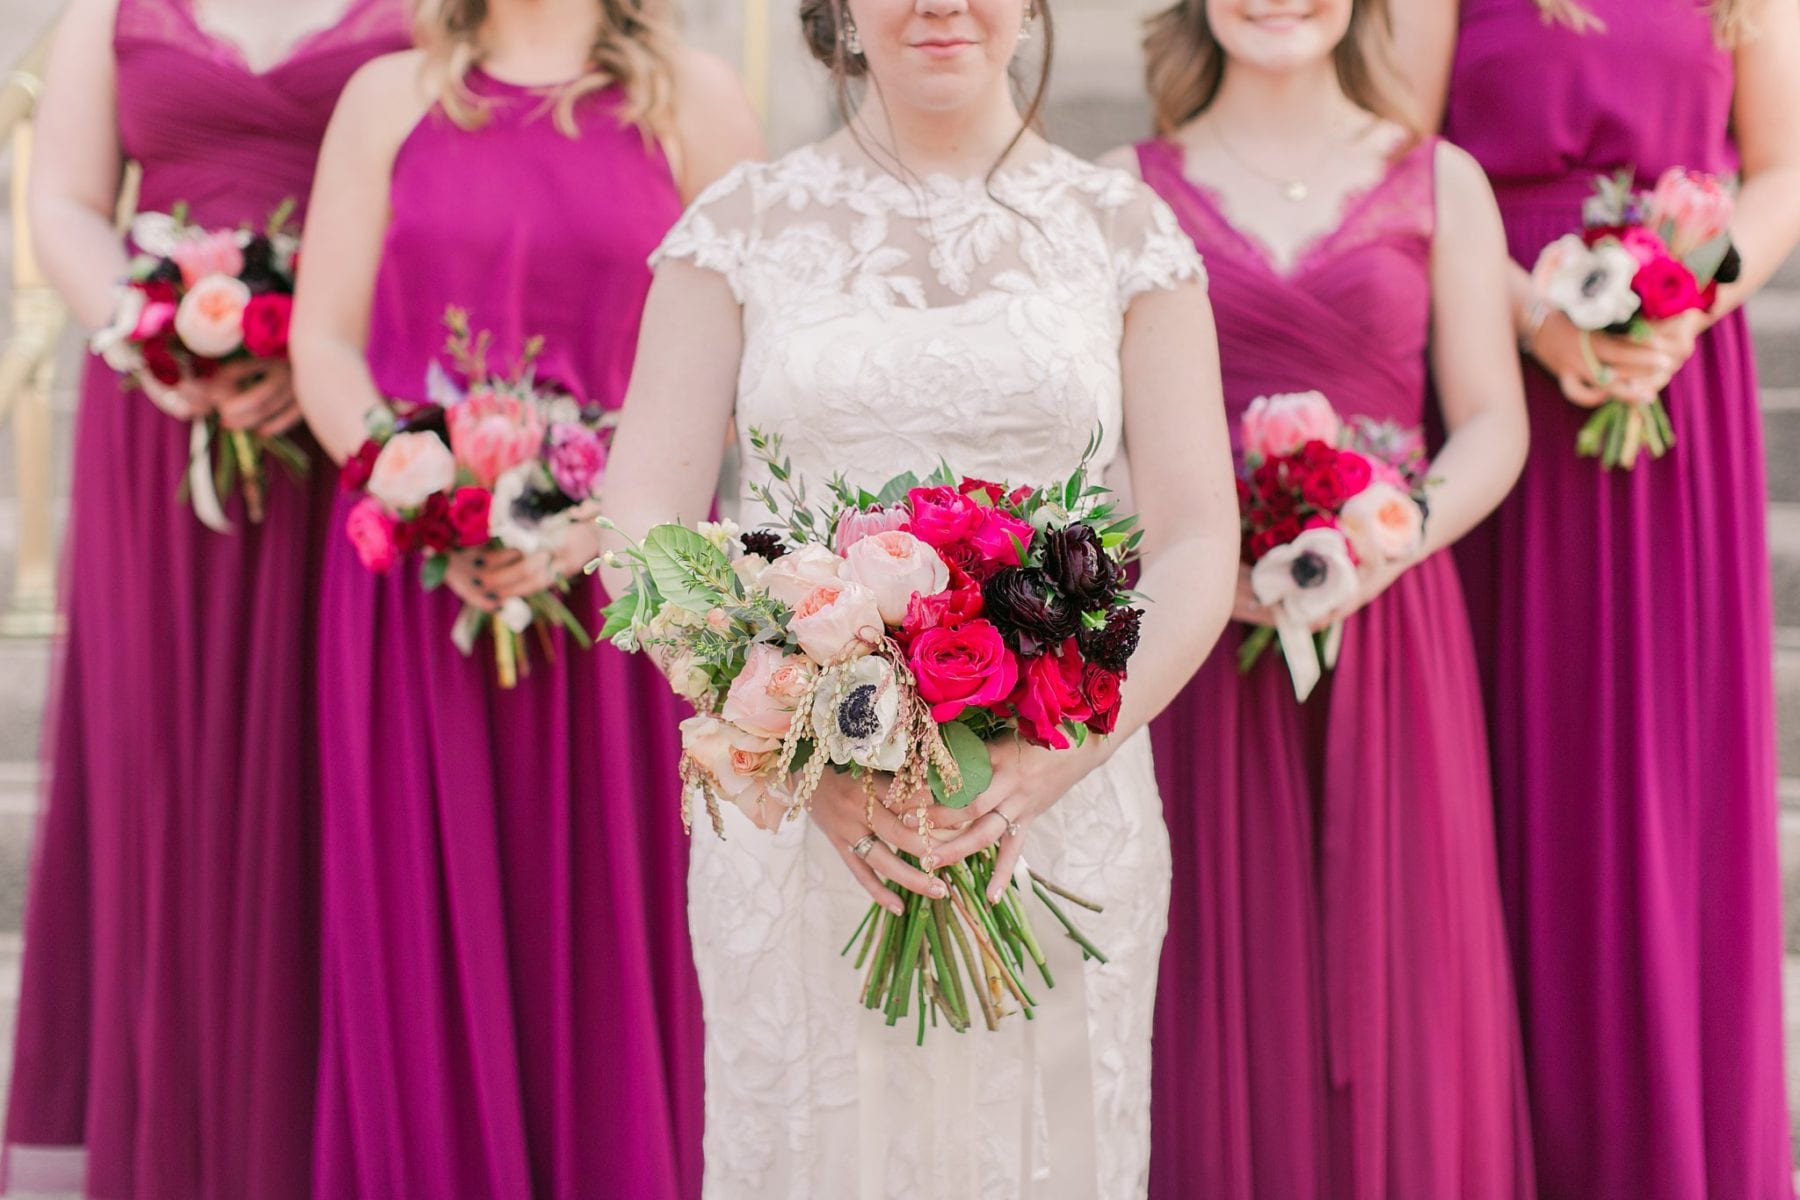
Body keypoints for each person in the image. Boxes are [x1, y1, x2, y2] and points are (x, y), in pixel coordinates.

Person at [593, 1, 1238, 1195]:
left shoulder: (1123, 230)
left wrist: (1067, 751)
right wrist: (798, 744)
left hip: (1057, 794)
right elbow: (640, 519)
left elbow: (1200, 536)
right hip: (802, 819)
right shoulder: (738, 229)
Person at [288, 0, 760, 1192]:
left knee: (610, 946)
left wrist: (603, 521)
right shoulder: (386, 96)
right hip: (412, 593)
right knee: (413, 944)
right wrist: (424, 490)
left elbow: (757, 358)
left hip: (626, 598)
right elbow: (324, 343)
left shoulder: (694, 99)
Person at [1111, 2, 1535, 1196]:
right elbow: (1096, 439)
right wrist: (1194, 561)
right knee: (1206, 969)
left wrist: (1391, 535)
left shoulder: (1440, 181)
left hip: (1396, 629)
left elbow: (1492, 419)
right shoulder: (1119, 191)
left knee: (1409, 971)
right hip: (1198, 636)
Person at [1390, 0, 1800, 1194]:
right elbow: (1401, 160)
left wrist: (1686, 299)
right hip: (1494, 360)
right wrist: (1532, 313)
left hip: (1679, 379)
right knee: (1514, 773)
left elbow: (1777, 168)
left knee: (1664, 785)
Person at [3, 0, 410, 1194]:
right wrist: (156, 333)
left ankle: (330, 1144)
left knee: (336, 776)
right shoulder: (110, 8)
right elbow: (68, 200)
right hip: (163, 432)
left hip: (355, 428)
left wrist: (334, 344)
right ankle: (182, 1146)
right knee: (168, 776)